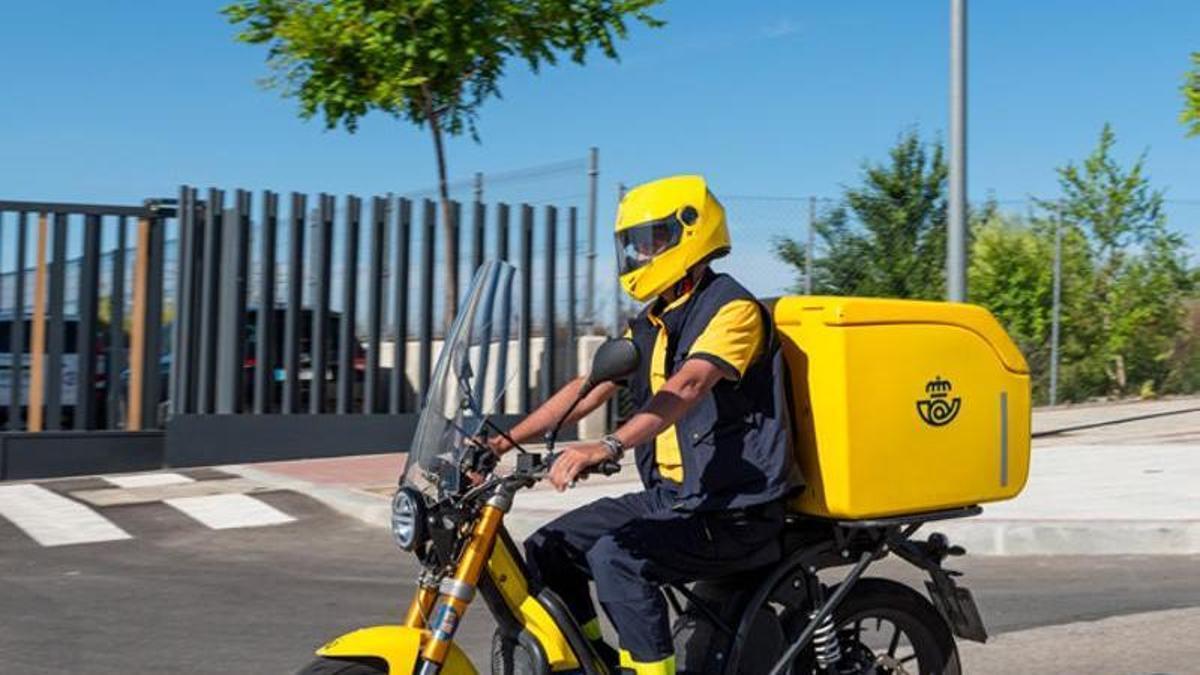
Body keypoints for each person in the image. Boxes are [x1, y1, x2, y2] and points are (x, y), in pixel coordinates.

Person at [487, 175, 796, 674]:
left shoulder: (733, 309)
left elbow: (690, 386)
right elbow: (586, 387)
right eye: (633, 244)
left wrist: (608, 445)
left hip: (734, 506)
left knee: (618, 560)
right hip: (675, 496)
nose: (639, 253)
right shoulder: (652, 321)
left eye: (651, 240)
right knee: (550, 548)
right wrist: (502, 440)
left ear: (688, 234)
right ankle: (592, 662)